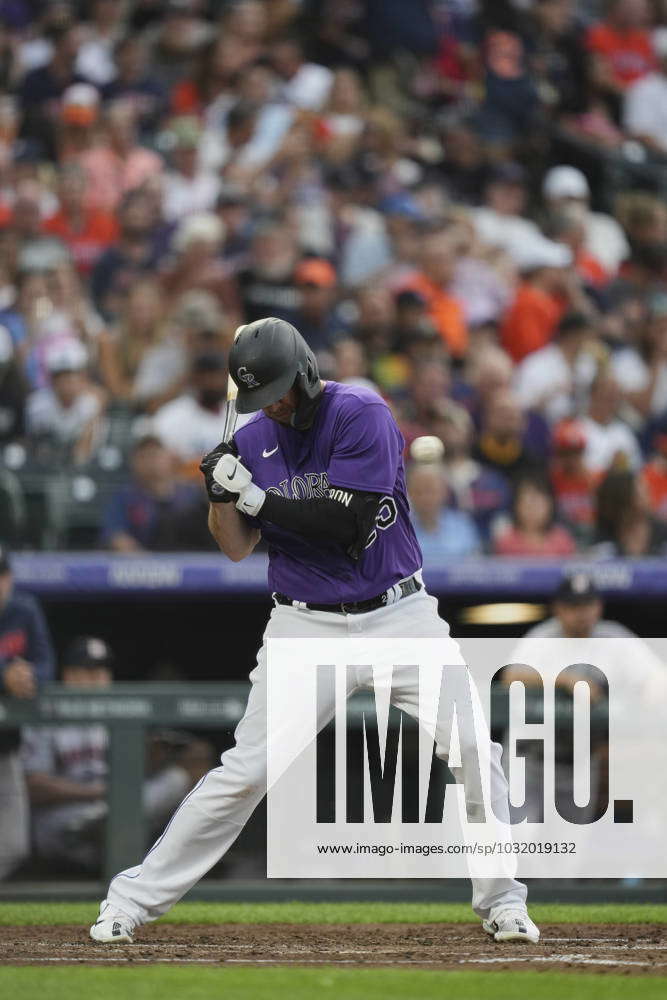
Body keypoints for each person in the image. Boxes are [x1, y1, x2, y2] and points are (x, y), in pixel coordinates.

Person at [90, 316, 539, 945]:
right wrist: (220, 492)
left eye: (277, 388)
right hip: (304, 624)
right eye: (260, 394)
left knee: (473, 749)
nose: (271, 403)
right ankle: (130, 901)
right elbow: (236, 548)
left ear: (303, 370)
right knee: (245, 771)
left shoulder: (361, 411)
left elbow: (349, 525)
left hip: (399, 616)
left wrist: (254, 499)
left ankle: (503, 902)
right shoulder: (252, 438)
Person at [21, 636, 213, 870]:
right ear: (69, 675)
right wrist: (96, 793)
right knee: (117, 814)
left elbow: (129, 778)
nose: (98, 679)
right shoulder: (44, 717)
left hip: (112, 807)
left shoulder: (117, 715)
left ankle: (112, 831)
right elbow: (33, 785)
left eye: (103, 672)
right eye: (89, 671)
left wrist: (153, 759)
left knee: (177, 778)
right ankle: (117, 837)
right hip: (67, 817)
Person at [0, 545, 55, 880]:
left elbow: (46, 663)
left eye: (1, 575)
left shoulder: (25, 609)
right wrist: (4, 673)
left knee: (13, 846)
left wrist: (25, 678)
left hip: (5, 747)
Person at [101, 435, 201, 552]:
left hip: (191, 561)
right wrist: (152, 565)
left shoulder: (191, 495)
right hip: (140, 564)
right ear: (134, 462)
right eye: (144, 457)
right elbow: (116, 536)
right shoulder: (125, 498)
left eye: (155, 455)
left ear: (169, 458)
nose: (150, 462)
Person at [408, 461, 481, 560]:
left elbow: (475, 566)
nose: (425, 497)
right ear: (409, 494)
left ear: (444, 492)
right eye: (418, 491)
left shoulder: (463, 527)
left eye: (430, 490)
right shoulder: (401, 531)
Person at [493, 476, 577, 557]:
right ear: (516, 506)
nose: (532, 511)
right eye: (527, 504)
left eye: (538, 505)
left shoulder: (562, 541)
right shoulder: (506, 543)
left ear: (550, 505)